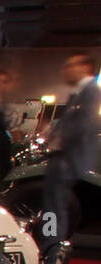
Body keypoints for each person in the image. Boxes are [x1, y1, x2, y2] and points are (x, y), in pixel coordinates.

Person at [43, 51, 101, 248]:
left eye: (71, 66)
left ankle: (50, 247)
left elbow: (83, 125)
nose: (65, 70)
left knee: (53, 208)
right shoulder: (79, 93)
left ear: (85, 68)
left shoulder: (90, 91)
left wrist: (58, 140)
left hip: (67, 159)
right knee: (52, 207)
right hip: (64, 158)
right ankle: (49, 242)